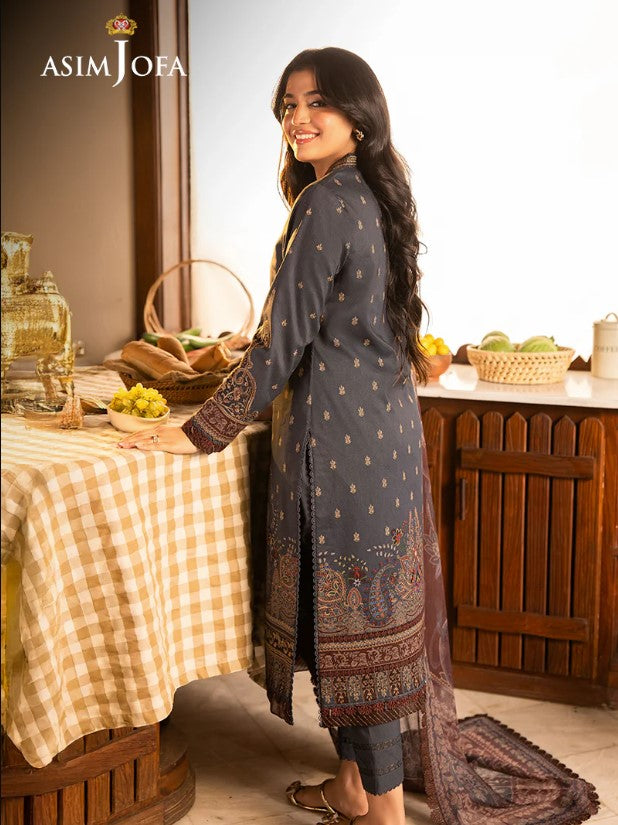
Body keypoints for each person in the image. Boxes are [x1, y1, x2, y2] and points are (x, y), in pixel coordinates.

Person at [119, 48, 598, 825]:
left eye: (317, 103)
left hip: (341, 453)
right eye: (288, 105)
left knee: (357, 638)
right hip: (381, 442)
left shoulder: (325, 203)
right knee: (358, 631)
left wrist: (196, 433)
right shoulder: (372, 194)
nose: (298, 118)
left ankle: (384, 814)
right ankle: (352, 785)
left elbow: (278, 346)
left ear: (359, 115)